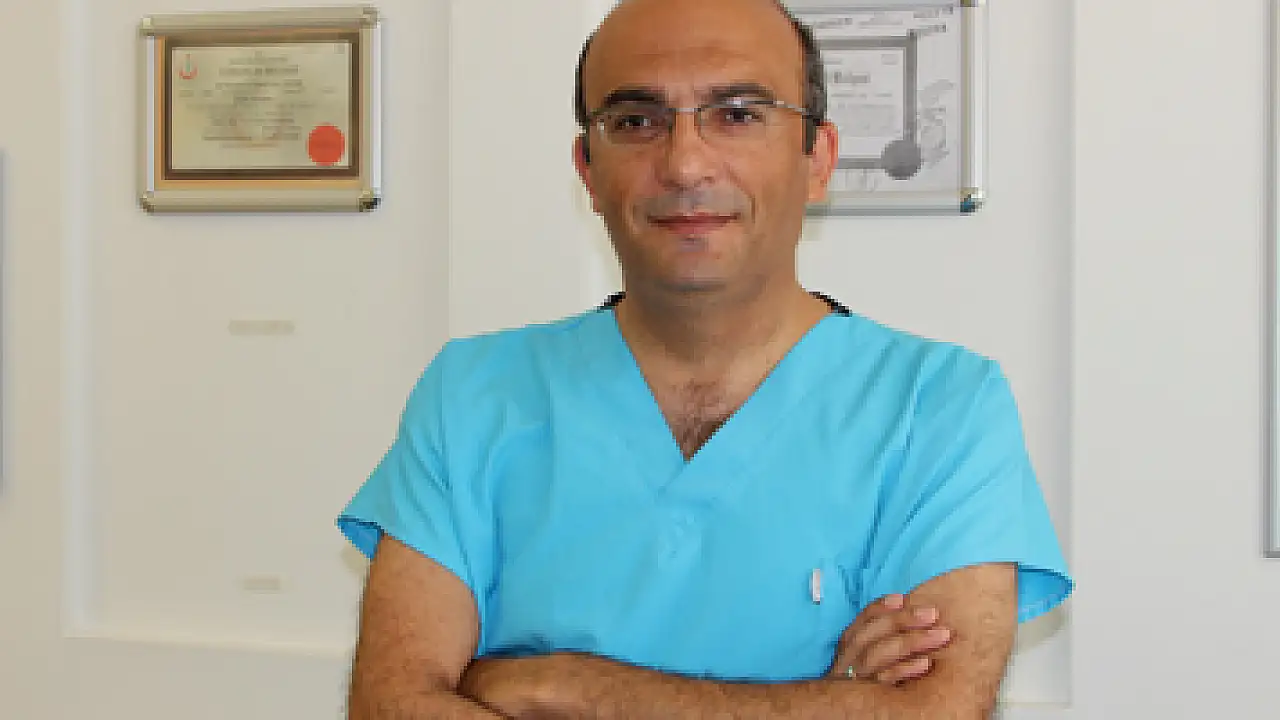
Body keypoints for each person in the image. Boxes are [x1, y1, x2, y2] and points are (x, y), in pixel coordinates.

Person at [336, 0, 1073, 716]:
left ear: (817, 159)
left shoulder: (940, 407)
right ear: (588, 169)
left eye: (739, 114)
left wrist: (564, 685)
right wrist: (829, 699)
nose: (685, 163)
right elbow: (390, 705)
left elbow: (935, 713)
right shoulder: (473, 396)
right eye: (636, 121)